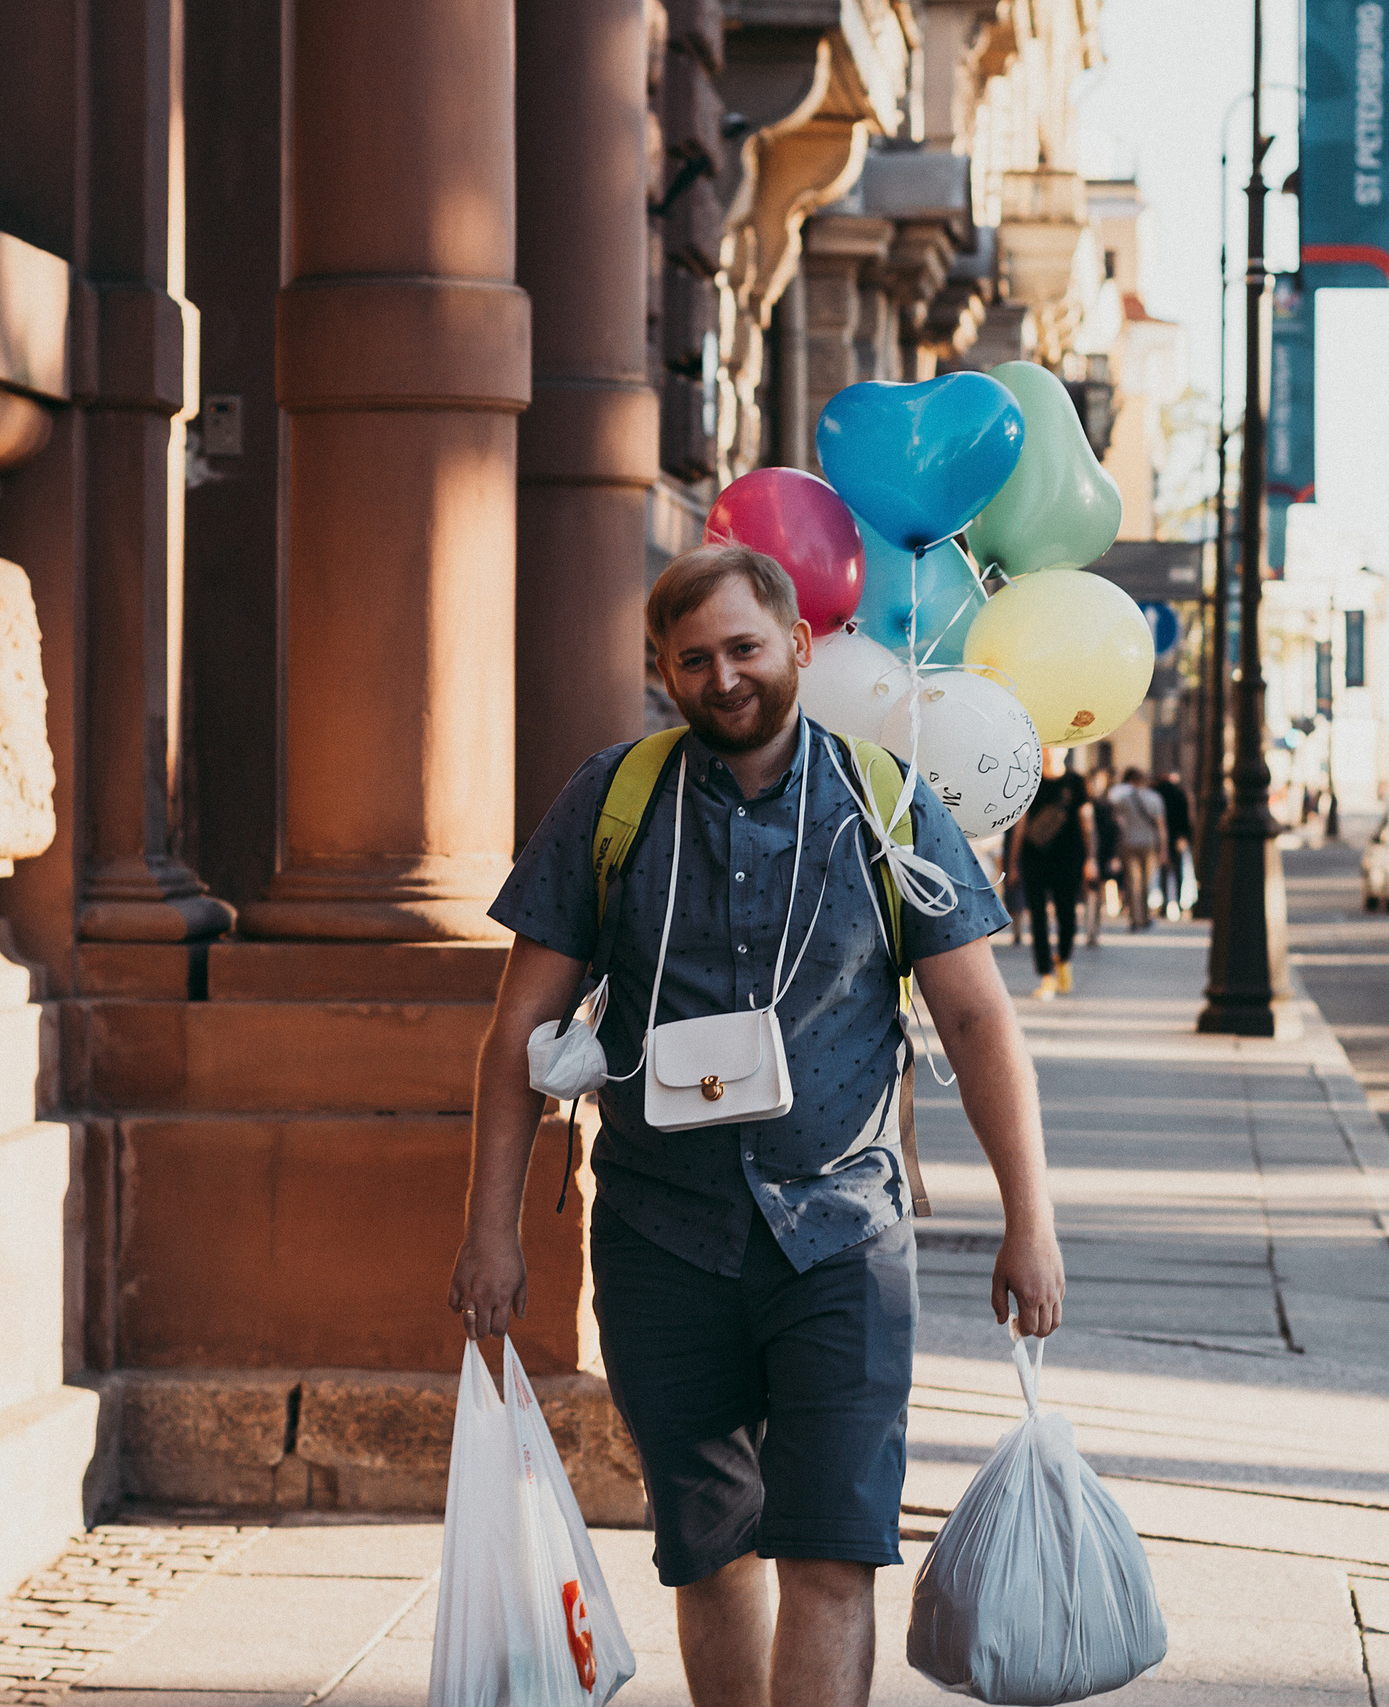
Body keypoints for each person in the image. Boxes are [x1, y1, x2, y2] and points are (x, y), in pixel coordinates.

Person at [449, 543, 1065, 1707]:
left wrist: (1029, 1221)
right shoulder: (612, 799)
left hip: (839, 1234)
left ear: (796, 646)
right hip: (658, 1238)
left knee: (833, 1550)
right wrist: (490, 1231)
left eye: (743, 648)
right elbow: (515, 1032)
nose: (722, 677)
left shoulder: (886, 804)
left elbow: (979, 1022)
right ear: (664, 673)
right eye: (693, 660)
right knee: (710, 1553)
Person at [1004, 747, 1097, 1000]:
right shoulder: (1031, 780)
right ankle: (1046, 976)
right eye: (1046, 746)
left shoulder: (1076, 782)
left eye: (1055, 747)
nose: (1050, 751)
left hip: (1069, 857)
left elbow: (1086, 821)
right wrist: (1012, 864)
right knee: (1038, 918)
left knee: (1067, 914)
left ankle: (1064, 959)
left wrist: (1091, 859)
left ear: (1065, 750)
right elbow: (1021, 824)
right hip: (1034, 857)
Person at [1108, 767, 1167, 931]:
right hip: (1149, 844)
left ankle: (1135, 919)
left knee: (1133, 882)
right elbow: (1161, 827)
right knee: (1147, 883)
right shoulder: (1155, 798)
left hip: (1129, 843)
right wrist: (1163, 850)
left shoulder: (1124, 799)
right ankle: (1145, 917)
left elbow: (1114, 817)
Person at [1084, 765, 1119, 947]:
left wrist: (1113, 855)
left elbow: (1114, 831)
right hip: (1088, 854)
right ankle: (1091, 931)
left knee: (1095, 892)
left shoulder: (1107, 805)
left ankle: (1093, 930)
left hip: (1101, 853)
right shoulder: (1086, 804)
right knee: (1092, 892)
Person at [1158, 769, 1195, 919]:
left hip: (1163, 837)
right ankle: (1178, 902)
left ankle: (1165, 903)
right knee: (1178, 870)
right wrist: (1185, 836)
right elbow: (1186, 817)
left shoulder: (1159, 793)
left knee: (1164, 870)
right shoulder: (1181, 793)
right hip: (1177, 837)